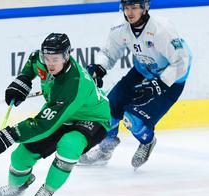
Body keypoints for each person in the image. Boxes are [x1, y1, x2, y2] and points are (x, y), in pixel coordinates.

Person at [0, 33, 111, 196]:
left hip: (92, 118)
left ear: (67, 56)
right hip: (63, 114)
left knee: (69, 145)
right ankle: (17, 186)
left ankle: (48, 189)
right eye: (47, 58)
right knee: (20, 156)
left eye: (55, 59)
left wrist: (10, 135)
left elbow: (44, 125)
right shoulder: (43, 58)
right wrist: (23, 80)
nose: (50, 63)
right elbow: (33, 60)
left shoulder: (73, 83)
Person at [78, 0, 192, 169]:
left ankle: (147, 142)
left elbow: (181, 61)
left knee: (134, 121)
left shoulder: (162, 29)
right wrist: (99, 68)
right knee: (106, 113)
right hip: (141, 72)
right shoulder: (120, 27)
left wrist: (158, 84)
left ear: (145, 8)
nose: (129, 12)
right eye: (126, 8)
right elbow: (109, 53)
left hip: (171, 80)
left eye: (134, 8)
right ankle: (105, 149)